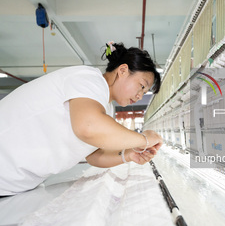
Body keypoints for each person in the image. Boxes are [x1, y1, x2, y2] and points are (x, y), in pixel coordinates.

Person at [0, 42, 163, 196]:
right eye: (142, 86)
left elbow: (94, 155)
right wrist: (143, 139)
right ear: (122, 70)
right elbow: (88, 127)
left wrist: (128, 155)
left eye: (145, 92)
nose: (140, 95)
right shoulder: (88, 79)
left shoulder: (104, 107)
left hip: (13, 184)